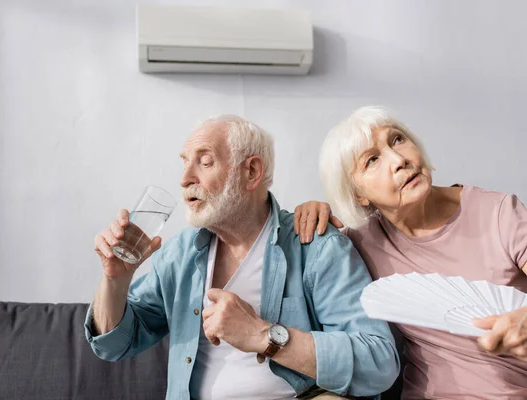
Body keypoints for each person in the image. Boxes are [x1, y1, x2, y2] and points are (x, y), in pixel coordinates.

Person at [85, 114, 400, 400]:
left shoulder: (314, 245)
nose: (184, 179)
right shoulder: (180, 254)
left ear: (251, 171)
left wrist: (263, 335)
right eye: (185, 163)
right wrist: (115, 280)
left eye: (204, 162)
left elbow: (379, 362)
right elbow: (115, 345)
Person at [294, 106, 527, 399]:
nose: (399, 160)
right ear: (358, 195)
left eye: (398, 139)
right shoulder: (360, 244)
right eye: (373, 160)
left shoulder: (500, 214)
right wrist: (311, 213)